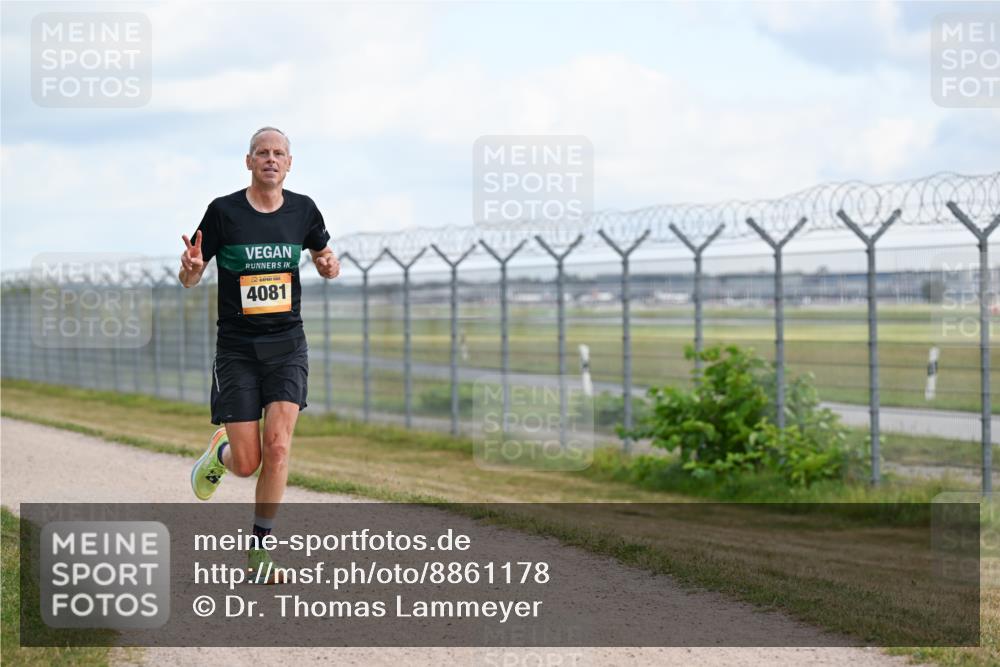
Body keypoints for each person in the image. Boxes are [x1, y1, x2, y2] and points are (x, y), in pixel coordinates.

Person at [180, 127, 340, 583]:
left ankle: (260, 550)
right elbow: (189, 275)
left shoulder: (304, 210)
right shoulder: (222, 212)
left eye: (279, 153)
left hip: (287, 345)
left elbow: (326, 257)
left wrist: (329, 265)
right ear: (248, 162)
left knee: (279, 446)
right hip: (237, 350)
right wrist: (190, 270)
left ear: (290, 163)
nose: (271, 159)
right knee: (248, 463)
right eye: (262, 153)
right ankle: (222, 453)